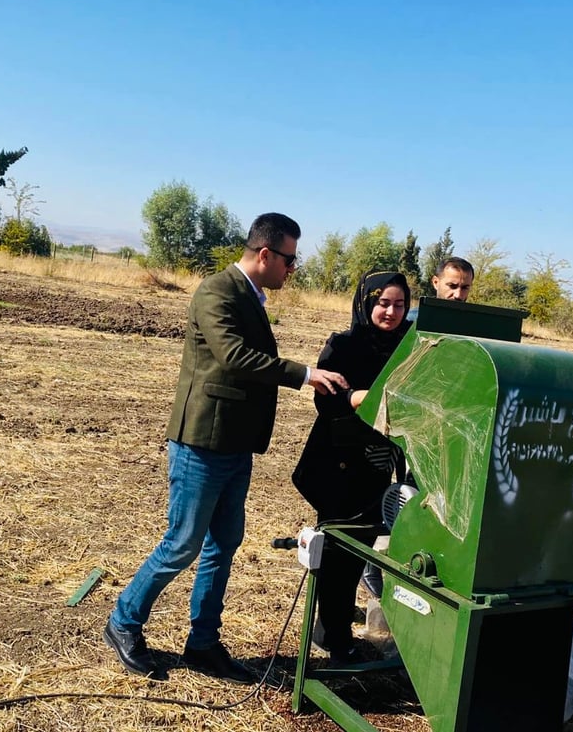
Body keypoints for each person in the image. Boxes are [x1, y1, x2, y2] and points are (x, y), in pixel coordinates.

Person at [104, 213, 349, 683]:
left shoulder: (251, 296)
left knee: (223, 545)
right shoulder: (216, 291)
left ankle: (203, 643)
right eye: (289, 260)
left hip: (235, 446)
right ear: (265, 254)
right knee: (183, 544)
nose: (291, 270)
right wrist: (303, 374)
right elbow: (233, 357)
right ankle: (124, 622)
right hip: (202, 442)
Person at [291, 269, 412, 664]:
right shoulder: (343, 345)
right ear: (366, 303)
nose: (390, 312)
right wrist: (358, 397)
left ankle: (335, 632)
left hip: (379, 463)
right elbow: (325, 402)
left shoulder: (411, 349)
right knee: (338, 552)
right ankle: (334, 635)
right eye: (382, 303)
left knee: (360, 549)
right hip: (338, 464)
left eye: (398, 304)